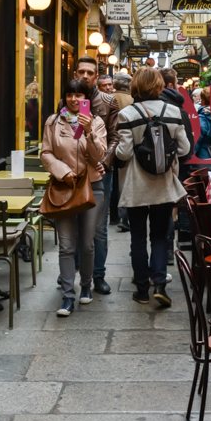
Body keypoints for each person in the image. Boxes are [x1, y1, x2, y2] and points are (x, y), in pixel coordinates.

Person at [116, 66, 190, 308]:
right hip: (164, 186)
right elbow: (185, 149)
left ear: (135, 85)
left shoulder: (127, 114)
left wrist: (115, 152)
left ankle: (141, 289)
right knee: (160, 235)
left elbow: (124, 152)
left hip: (137, 186)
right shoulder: (174, 111)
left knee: (138, 237)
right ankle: (160, 283)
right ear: (160, 86)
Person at [41, 79, 107, 317]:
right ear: (65, 97)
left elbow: (99, 154)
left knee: (87, 244)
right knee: (66, 246)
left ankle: (86, 286)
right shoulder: (53, 121)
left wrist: (88, 131)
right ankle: (68, 295)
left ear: (87, 98)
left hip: (92, 187)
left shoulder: (96, 122)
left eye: (80, 95)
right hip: (64, 188)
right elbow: (46, 152)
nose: (74, 99)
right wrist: (62, 171)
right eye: (70, 94)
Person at [75, 54, 119, 295]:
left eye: (90, 73)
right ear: (75, 74)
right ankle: (76, 271)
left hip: (101, 173)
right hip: (74, 172)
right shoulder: (69, 99)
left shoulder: (108, 101)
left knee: (99, 228)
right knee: (74, 222)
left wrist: (104, 161)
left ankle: (98, 275)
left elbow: (115, 136)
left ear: (96, 77)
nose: (85, 76)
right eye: (81, 72)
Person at [160, 68, 194, 266]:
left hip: (150, 171)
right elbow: (187, 147)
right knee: (172, 209)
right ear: (172, 85)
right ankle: (170, 250)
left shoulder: (146, 107)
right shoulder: (179, 110)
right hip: (176, 168)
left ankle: (162, 252)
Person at [111, 72, 133, 233]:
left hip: (107, 145)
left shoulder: (108, 99)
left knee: (111, 182)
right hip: (126, 145)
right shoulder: (132, 101)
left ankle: (113, 215)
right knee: (124, 182)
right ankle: (124, 216)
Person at [194, 86, 211, 160]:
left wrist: (190, 154)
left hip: (205, 156)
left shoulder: (202, 116)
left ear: (202, 100)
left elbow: (198, 138)